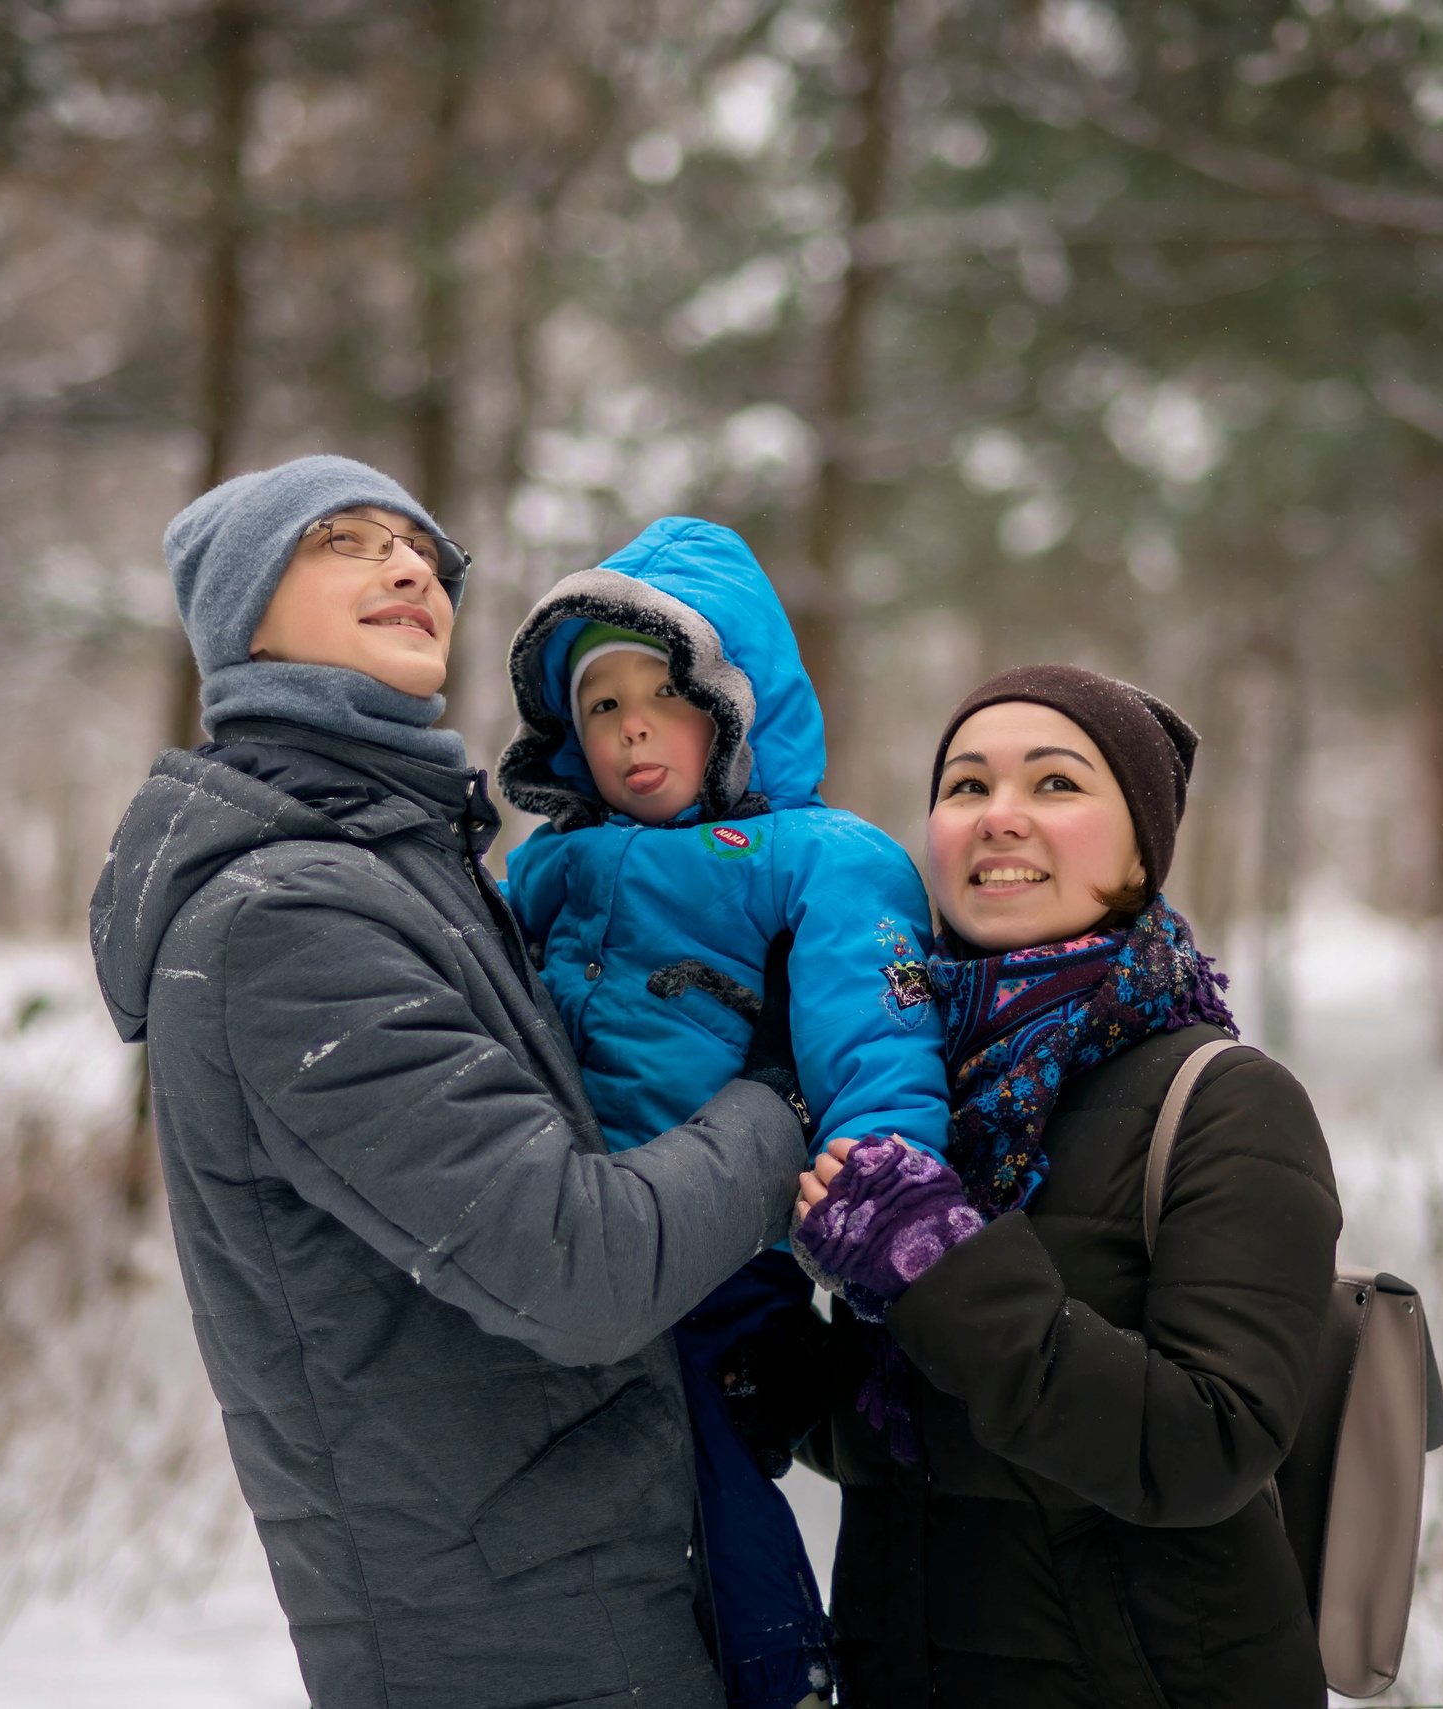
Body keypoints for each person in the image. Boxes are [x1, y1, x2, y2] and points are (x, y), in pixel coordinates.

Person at [89, 456, 811, 1709]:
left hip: (582, 1586)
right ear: (241, 609)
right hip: (499, 1641)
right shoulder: (286, 919)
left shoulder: (407, 866)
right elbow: (575, 1261)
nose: (410, 566)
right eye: (343, 541)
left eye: (421, 547)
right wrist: (785, 1103)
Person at [790, 664, 1344, 1707]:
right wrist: (772, 1365)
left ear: (1142, 850)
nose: (999, 816)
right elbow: (915, 1442)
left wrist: (939, 1262)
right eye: (964, 786)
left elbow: (1207, 1443)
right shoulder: (897, 1096)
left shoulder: (1224, 1101)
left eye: (1054, 783)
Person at [497, 516, 951, 1709]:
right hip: (572, 1234)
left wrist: (885, 1191)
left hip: (720, 1263)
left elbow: (875, 1038)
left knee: (693, 1457)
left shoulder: (817, 856)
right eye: (601, 706)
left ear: (738, 705)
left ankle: (781, 1669)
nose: (633, 726)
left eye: (665, 692)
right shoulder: (541, 868)